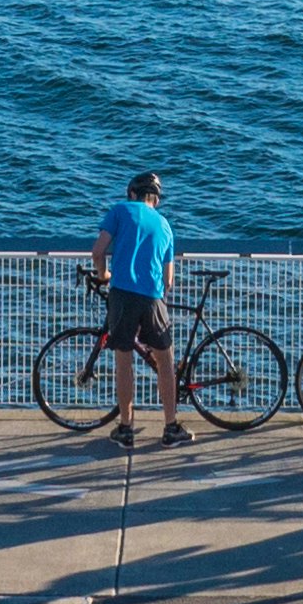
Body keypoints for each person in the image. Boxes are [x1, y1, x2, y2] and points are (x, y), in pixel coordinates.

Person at [89, 169, 183, 446]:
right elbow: (169, 280)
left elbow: (98, 251)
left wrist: (103, 275)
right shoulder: (165, 225)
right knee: (165, 364)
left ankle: (126, 428)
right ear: (156, 198)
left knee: (124, 362)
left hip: (122, 294)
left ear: (132, 193)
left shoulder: (120, 210)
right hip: (152, 297)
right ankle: (170, 426)